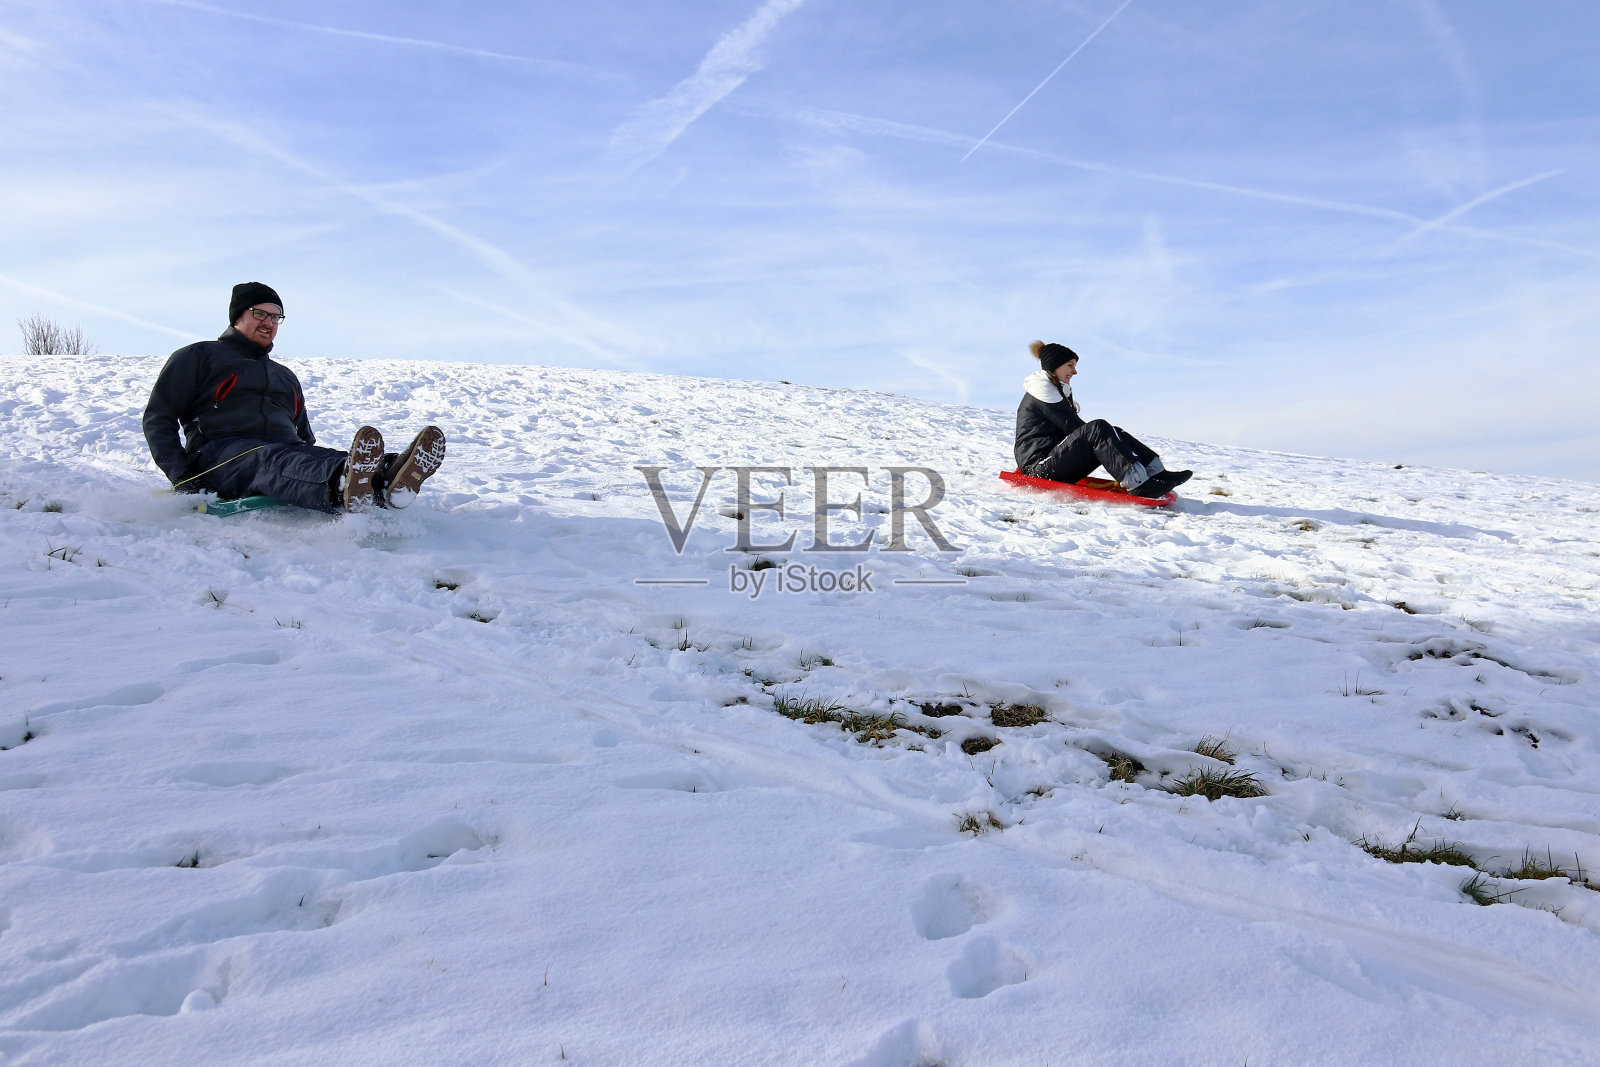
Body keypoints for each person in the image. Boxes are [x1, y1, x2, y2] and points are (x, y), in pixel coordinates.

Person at [143, 282, 445, 512]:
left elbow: (303, 437)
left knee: (322, 456)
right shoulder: (199, 356)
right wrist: (182, 476)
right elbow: (159, 417)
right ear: (238, 316)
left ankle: (388, 475)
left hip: (281, 450)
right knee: (271, 458)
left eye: (276, 317)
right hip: (220, 457)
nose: (269, 322)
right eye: (259, 313)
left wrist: (310, 458)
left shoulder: (283, 375)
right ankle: (346, 482)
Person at [1014, 340, 1190, 498]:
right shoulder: (1042, 392)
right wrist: (1104, 438)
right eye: (1070, 365)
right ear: (1055, 366)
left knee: (1112, 431)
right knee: (1099, 429)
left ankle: (1155, 472)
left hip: (1050, 462)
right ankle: (1138, 484)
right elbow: (1075, 429)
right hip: (1038, 468)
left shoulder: (1053, 391)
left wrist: (1109, 438)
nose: (1074, 371)